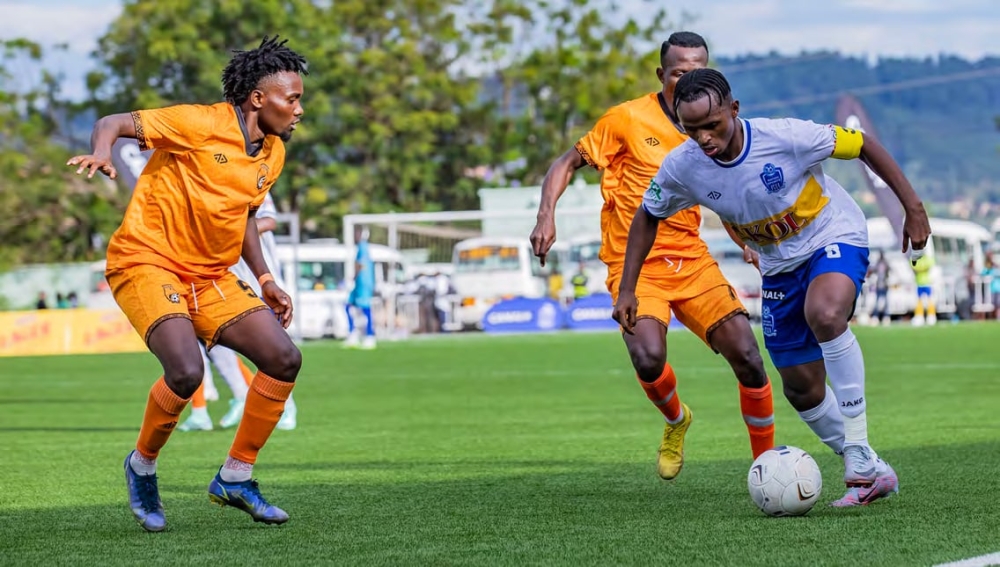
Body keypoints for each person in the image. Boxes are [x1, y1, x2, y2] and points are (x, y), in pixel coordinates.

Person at [622, 67, 931, 507]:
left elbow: (861, 144)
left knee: (825, 313)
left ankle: (859, 452)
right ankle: (874, 472)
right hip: (779, 266)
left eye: (712, 124)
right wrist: (628, 289)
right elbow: (647, 215)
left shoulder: (785, 137)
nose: (704, 137)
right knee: (801, 388)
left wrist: (913, 209)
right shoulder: (683, 166)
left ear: (734, 109)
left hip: (832, 234)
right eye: (692, 129)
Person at [67, 36, 307, 531]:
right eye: (292, 98)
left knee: (284, 358)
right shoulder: (198, 122)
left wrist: (265, 277)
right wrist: (101, 151)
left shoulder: (273, 152)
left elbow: (245, 216)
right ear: (258, 98)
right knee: (185, 370)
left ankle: (236, 477)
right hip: (146, 261)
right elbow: (112, 122)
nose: (299, 109)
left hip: (211, 274)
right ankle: (142, 466)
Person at [530, 31, 775, 481]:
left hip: (692, 260)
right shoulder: (626, 119)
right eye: (678, 73)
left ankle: (768, 465)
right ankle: (676, 419)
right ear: (662, 74)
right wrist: (546, 215)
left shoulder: (711, 125)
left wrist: (748, 243)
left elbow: (723, 193)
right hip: (635, 266)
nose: (687, 80)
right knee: (647, 356)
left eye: (697, 71)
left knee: (748, 355)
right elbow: (566, 162)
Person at [344, 226, 377, 349]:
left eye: (357, 233)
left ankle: (370, 336)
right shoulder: (360, 247)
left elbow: (360, 265)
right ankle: (353, 334)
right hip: (359, 283)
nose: (355, 236)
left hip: (363, 283)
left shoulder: (363, 247)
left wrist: (353, 277)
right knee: (348, 305)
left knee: (365, 308)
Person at [911, 252, 937, 326]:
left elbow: (916, 267)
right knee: (920, 301)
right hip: (919, 283)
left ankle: (931, 316)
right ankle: (920, 316)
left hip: (926, 283)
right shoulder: (919, 259)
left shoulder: (926, 259)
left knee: (929, 300)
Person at [866, 251, 891, 326]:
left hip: (884, 285)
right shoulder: (879, 263)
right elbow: (872, 270)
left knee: (885, 302)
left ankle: (885, 317)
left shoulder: (885, 263)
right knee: (878, 302)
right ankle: (876, 317)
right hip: (879, 285)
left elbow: (889, 271)